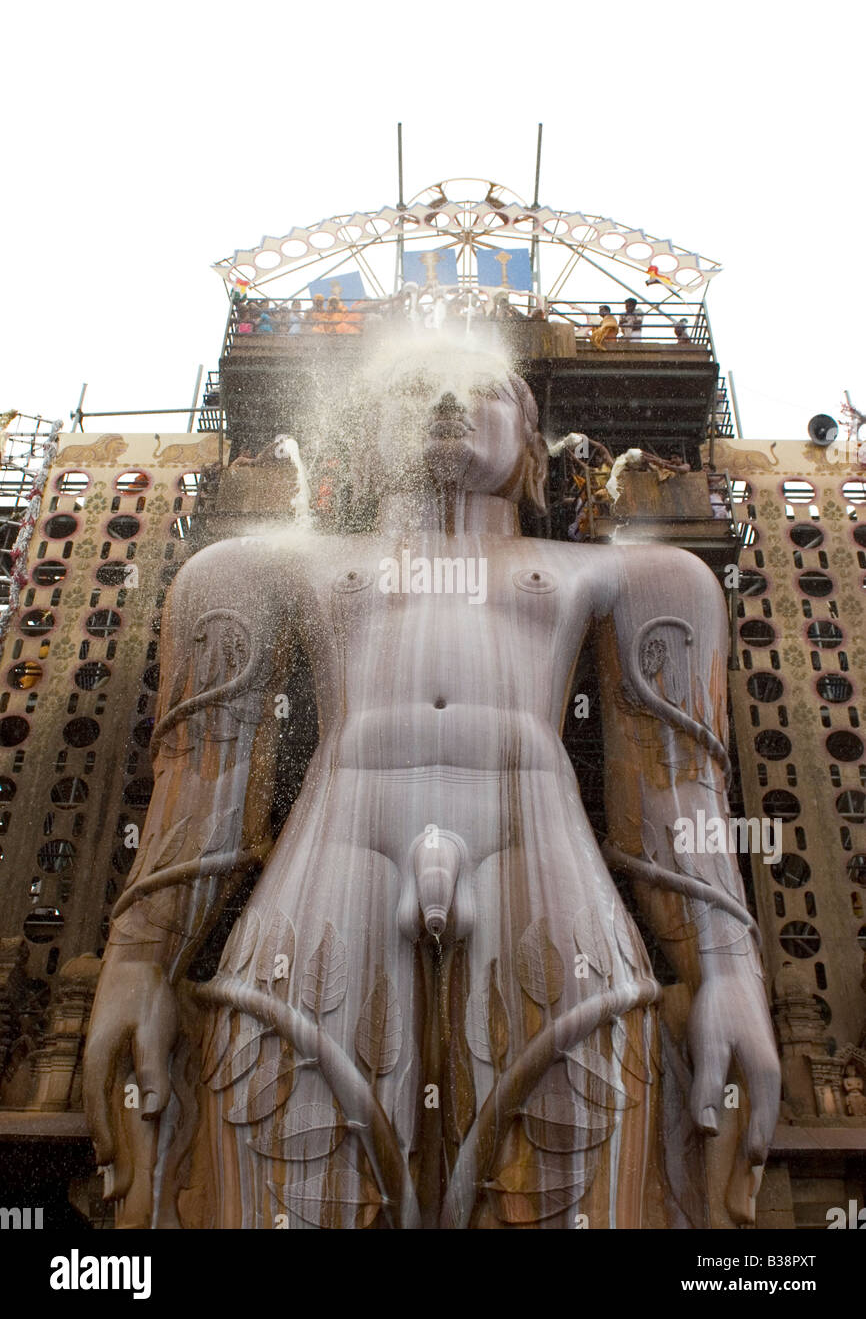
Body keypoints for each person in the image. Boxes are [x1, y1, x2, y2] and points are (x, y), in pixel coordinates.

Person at [85, 343, 779, 1231]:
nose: (450, 398)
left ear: (529, 438)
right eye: (414, 386)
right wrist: (140, 961)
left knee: (573, 1180)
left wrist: (726, 971)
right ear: (367, 429)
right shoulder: (261, 571)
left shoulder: (640, 578)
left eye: (485, 388)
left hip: (543, 862)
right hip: (337, 855)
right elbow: (204, 781)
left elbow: (679, 791)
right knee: (286, 1169)